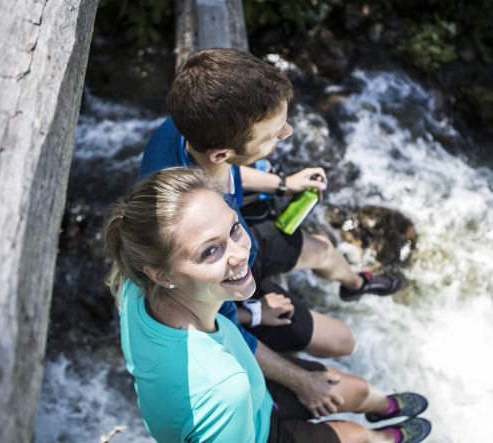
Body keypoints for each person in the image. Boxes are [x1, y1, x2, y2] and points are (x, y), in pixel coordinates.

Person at [105, 167, 431, 443]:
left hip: (255, 392)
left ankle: (381, 408)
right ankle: (388, 438)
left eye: (234, 228)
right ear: (162, 274)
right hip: (255, 429)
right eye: (209, 251)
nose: (240, 253)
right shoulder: (221, 389)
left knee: (357, 391)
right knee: (357, 437)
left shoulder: (137, 286)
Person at [138, 48, 401, 360]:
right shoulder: (186, 217)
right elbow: (213, 319)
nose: (288, 133)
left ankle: (355, 284)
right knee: (344, 342)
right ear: (221, 154)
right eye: (273, 136)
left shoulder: (189, 128)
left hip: (242, 237)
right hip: (231, 277)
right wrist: (255, 315)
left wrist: (284, 184)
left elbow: (228, 171)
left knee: (324, 250)